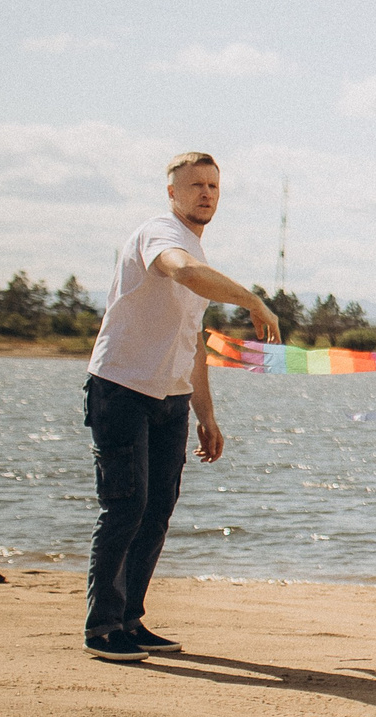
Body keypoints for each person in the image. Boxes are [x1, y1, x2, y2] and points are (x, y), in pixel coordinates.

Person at [81, 152, 278, 663]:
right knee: (126, 505)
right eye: (194, 186)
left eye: (212, 186)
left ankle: (130, 619)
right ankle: (101, 629)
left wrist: (206, 416)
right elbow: (182, 271)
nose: (205, 194)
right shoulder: (161, 235)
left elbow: (193, 346)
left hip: (171, 398)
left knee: (157, 510)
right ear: (172, 193)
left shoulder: (198, 251)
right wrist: (253, 302)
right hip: (122, 389)